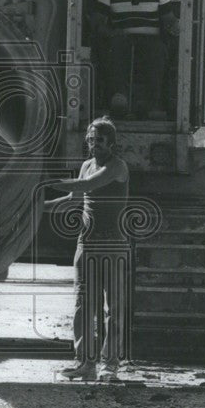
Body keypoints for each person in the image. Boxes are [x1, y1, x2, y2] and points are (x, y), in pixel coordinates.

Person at [43, 117, 130, 381]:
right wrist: (41, 206)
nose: (93, 144)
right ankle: (85, 363)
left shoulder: (117, 167)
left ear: (111, 143)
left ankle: (109, 365)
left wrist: (46, 180)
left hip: (113, 244)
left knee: (112, 309)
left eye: (99, 140)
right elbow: (74, 198)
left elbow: (85, 186)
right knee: (84, 305)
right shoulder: (86, 165)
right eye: (90, 140)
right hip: (87, 243)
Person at [95, 0, 180, 119]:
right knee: (115, 48)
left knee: (158, 50)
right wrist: (111, 34)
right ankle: (119, 97)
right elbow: (98, 22)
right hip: (121, 38)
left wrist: (177, 28)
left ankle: (151, 103)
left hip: (151, 40)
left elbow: (169, 20)